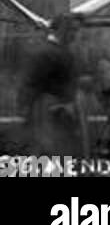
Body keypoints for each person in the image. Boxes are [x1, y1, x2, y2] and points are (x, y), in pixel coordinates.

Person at [21, 15, 88, 158]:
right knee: (49, 152)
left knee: (59, 153)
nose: (75, 35)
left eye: (76, 31)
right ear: (61, 30)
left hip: (61, 113)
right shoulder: (45, 53)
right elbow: (31, 84)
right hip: (49, 111)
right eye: (72, 30)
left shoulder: (63, 52)